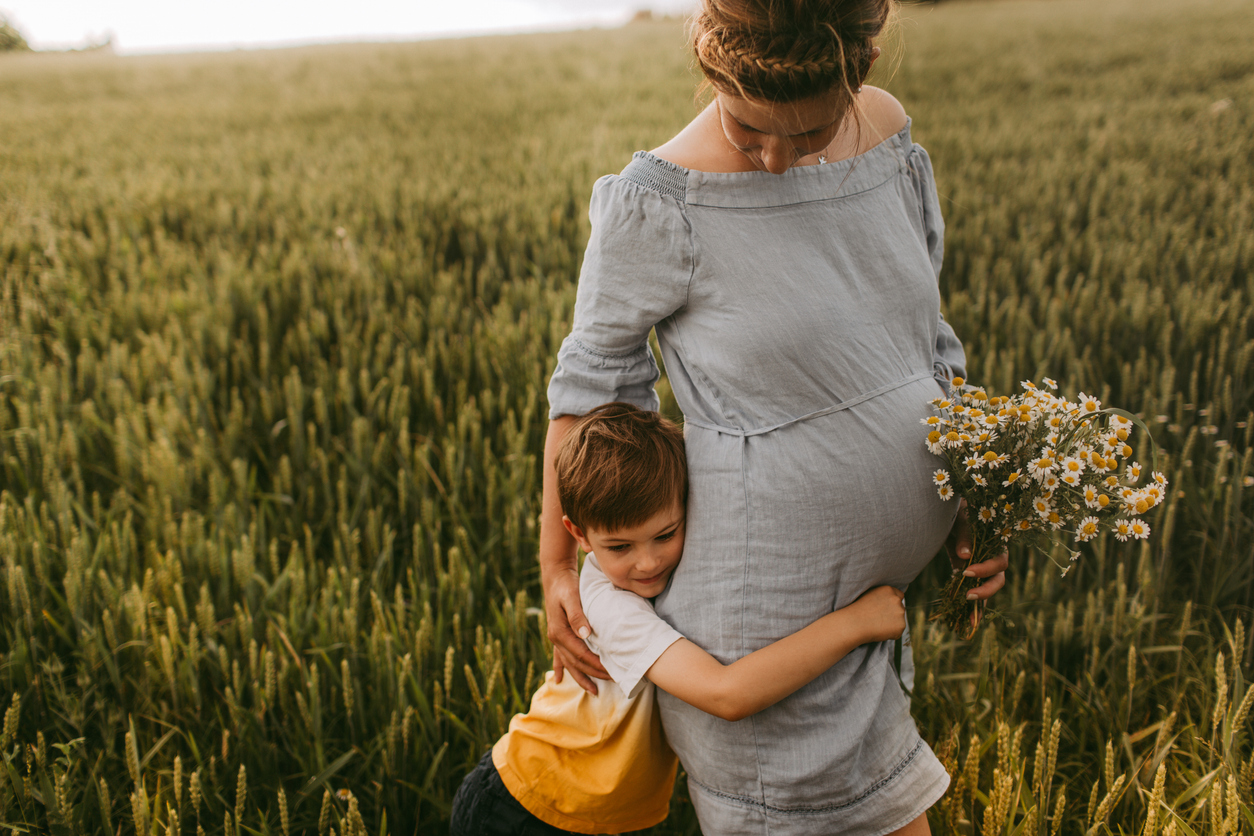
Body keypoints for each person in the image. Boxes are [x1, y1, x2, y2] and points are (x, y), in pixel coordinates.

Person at [540, 1, 1010, 833]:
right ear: (714, 74)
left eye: (808, 133)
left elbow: (923, 345)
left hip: (867, 616)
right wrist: (554, 571)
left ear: (858, 75)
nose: (777, 159)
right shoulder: (664, 201)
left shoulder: (890, 138)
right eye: (749, 127)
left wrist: (971, 490)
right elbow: (588, 394)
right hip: (758, 638)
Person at [451, 403, 911, 835]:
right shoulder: (609, 607)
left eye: (665, 535)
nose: (648, 563)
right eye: (620, 547)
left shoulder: (646, 571)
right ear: (578, 534)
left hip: (587, 811)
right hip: (526, 806)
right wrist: (855, 624)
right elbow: (725, 693)